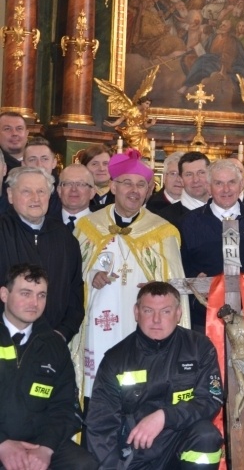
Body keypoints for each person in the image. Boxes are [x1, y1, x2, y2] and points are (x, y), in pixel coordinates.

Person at [73, 150, 187, 404]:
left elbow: (176, 287)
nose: (134, 190)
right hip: (98, 325)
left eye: (141, 185)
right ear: (113, 186)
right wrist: (92, 276)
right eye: (127, 183)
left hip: (144, 327)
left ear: (148, 190)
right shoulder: (88, 227)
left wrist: (159, 289)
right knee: (99, 393)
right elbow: (71, 278)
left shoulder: (162, 232)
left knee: (140, 395)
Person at [86, 282, 223, 470]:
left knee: (207, 435)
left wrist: (164, 416)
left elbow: (210, 400)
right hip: (135, 453)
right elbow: (101, 424)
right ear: (136, 312)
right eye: (148, 311)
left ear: (178, 314)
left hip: (179, 443)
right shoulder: (116, 359)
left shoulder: (199, 348)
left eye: (165, 311)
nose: (156, 320)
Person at [0, 264, 98, 470]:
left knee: (84, 464)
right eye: (25, 293)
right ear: (4, 294)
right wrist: (2, 444)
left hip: (38, 442)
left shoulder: (54, 346)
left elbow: (66, 408)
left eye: (41, 295)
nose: (34, 303)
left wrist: (46, 448)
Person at [180, 159, 244, 330]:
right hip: (204, 317)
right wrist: (195, 279)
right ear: (208, 187)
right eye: (218, 183)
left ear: (241, 184)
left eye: (231, 182)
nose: (226, 189)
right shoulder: (189, 222)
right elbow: (181, 264)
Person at [0, 167, 84, 343]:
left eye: (41, 191)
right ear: (10, 195)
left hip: (53, 343)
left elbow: (75, 292)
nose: (35, 198)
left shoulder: (65, 237)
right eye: (26, 191)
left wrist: (63, 333)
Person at [158, 151, 210, 228]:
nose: (195, 179)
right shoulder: (164, 219)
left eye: (201, 173)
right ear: (181, 179)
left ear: (211, 175)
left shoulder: (225, 208)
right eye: (189, 174)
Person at [22, 136, 63, 220]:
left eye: (44, 159)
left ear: (54, 163)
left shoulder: (64, 194)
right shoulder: (14, 195)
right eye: (32, 159)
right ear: (23, 164)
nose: (39, 165)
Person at [57, 164, 96, 231]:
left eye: (81, 184)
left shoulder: (104, 226)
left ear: (92, 192)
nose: (74, 189)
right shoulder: (44, 224)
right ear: (59, 191)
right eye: (68, 183)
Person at [80, 145, 114, 210]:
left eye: (105, 163)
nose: (101, 169)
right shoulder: (77, 193)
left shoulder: (121, 193)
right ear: (84, 167)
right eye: (95, 164)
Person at [0, 111, 28, 185]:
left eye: (19, 128)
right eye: (7, 129)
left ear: (27, 134)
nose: (14, 133)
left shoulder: (40, 162)